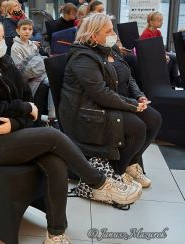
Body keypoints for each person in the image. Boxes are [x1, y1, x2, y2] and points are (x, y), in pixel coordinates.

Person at [0, 17, 141, 244]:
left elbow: (28, 99)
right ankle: (99, 183)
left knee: (56, 163)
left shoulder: (5, 62)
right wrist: (23, 110)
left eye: (3, 37)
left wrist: (16, 121)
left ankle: (56, 234)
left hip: (13, 133)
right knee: (53, 135)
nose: (1, 42)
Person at [59, 13, 162, 188]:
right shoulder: (82, 57)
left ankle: (131, 163)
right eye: (108, 31)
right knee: (138, 128)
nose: (113, 33)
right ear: (93, 35)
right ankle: (117, 172)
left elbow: (128, 77)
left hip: (108, 101)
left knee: (154, 119)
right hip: (87, 111)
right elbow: (101, 93)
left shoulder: (110, 48)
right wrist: (133, 105)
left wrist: (138, 96)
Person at [10, 19, 57, 126]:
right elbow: (20, 69)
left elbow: (38, 61)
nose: (27, 31)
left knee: (54, 82)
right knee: (44, 86)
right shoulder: (15, 47)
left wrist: (39, 64)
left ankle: (52, 114)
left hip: (40, 74)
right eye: (24, 29)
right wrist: (38, 65)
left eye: (30, 29)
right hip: (28, 80)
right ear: (18, 31)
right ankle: (45, 116)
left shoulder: (33, 45)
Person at [140, 11, 180, 86]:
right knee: (170, 59)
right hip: (151, 56)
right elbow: (148, 51)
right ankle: (169, 80)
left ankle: (174, 80)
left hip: (158, 53)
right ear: (151, 22)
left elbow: (160, 47)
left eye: (162, 20)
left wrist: (164, 54)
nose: (161, 22)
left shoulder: (158, 32)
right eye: (159, 21)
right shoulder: (146, 34)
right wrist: (162, 56)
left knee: (175, 57)